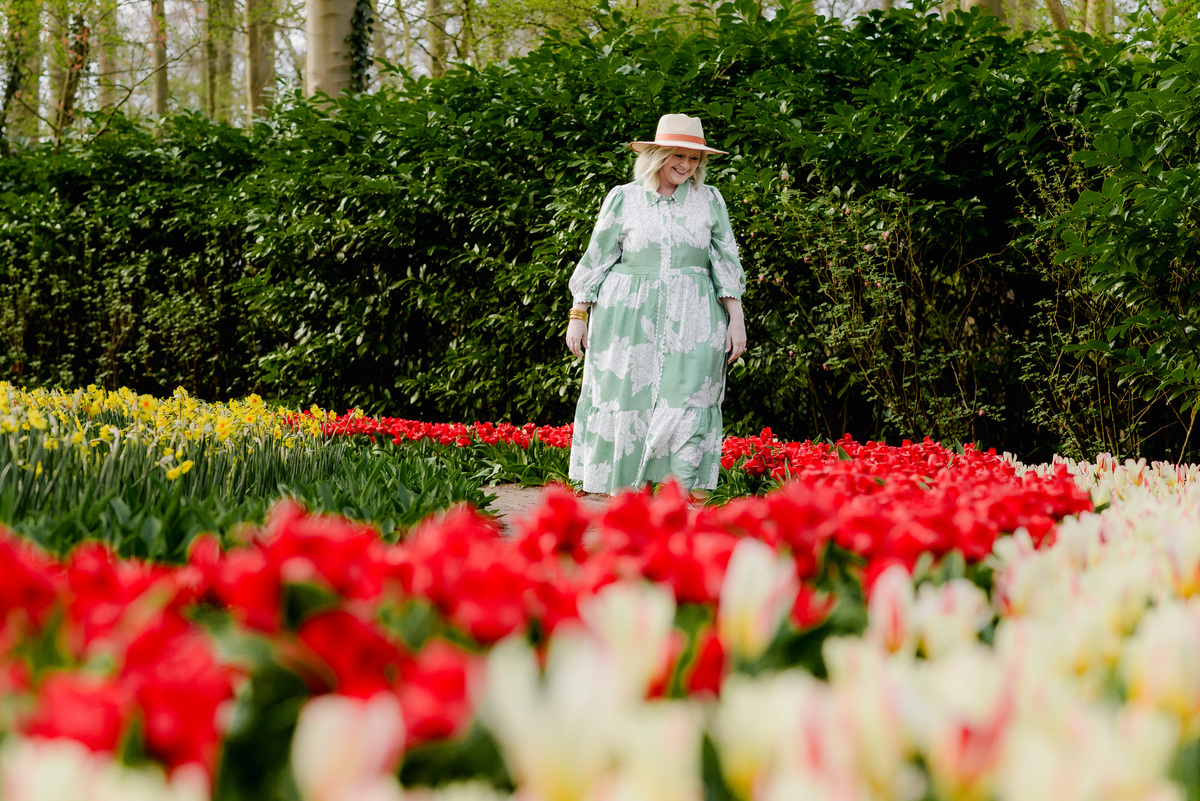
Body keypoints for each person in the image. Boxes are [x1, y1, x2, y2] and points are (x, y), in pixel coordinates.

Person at [564, 113, 747, 496]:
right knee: (626, 398)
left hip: (695, 318)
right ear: (658, 155)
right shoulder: (624, 198)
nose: (686, 165)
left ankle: (680, 495)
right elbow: (597, 258)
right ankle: (628, 496)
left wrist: (736, 319)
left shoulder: (708, 200)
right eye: (678, 155)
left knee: (689, 397)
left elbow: (725, 261)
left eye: (694, 158)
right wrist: (578, 315)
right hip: (625, 319)